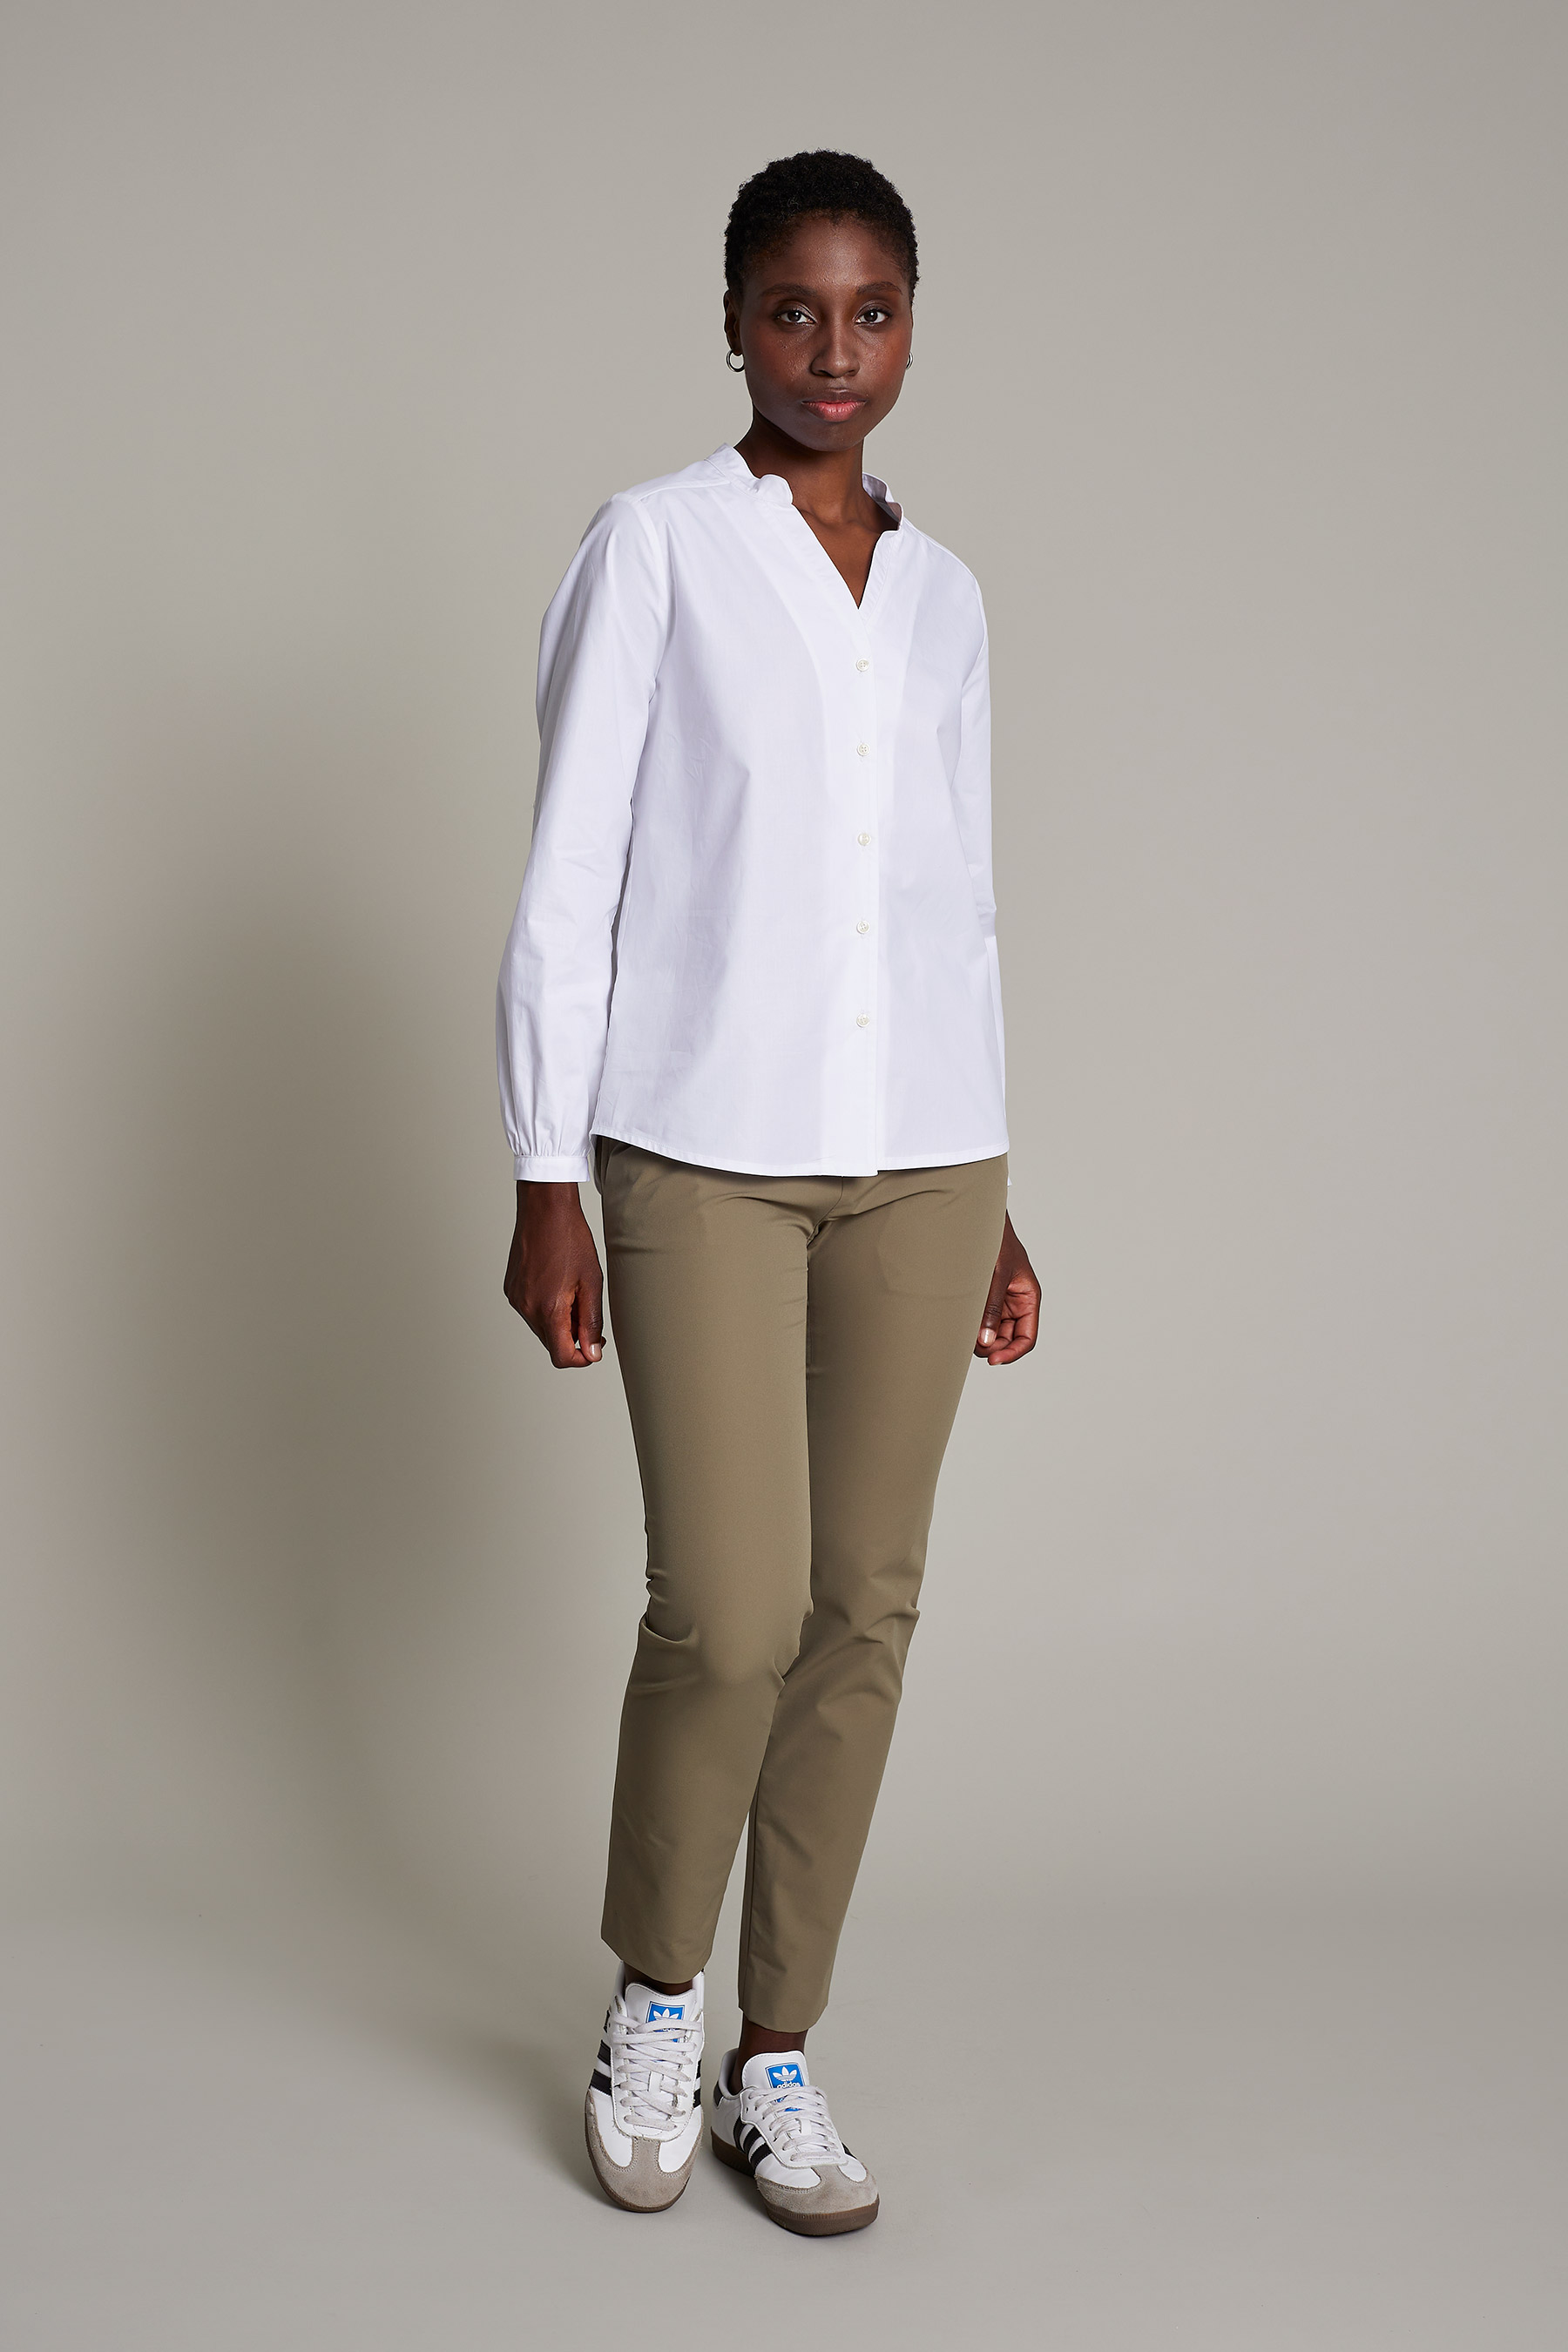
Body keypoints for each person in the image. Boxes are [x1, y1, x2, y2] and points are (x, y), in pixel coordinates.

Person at [497, 150, 1039, 2236]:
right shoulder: (653, 547)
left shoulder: (948, 593)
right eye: (795, 308)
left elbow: (954, 905)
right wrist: (547, 1172)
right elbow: (571, 876)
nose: (835, 349)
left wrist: (995, 1179)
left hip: (926, 1158)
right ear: (731, 323)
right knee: (729, 1610)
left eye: (873, 309)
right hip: (697, 1147)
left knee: (863, 1610)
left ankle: (779, 2049)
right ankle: (658, 1994)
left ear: (913, 328)